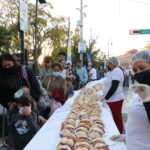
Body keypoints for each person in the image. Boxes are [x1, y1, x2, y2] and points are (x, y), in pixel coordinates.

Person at [110, 50, 150, 150]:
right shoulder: (141, 91)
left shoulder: (145, 94)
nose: (139, 73)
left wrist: (148, 100)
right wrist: (127, 137)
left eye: (142, 68)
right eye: (135, 70)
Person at [103, 56, 124, 134]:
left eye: (108, 63)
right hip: (112, 99)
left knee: (116, 117)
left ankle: (119, 132)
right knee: (113, 117)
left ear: (111, 64)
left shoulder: (117, 71)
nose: (107, 65)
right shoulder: (114, 71)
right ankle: (116, 132)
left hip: (115, 99)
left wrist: (106, 98)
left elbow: (114, 86)